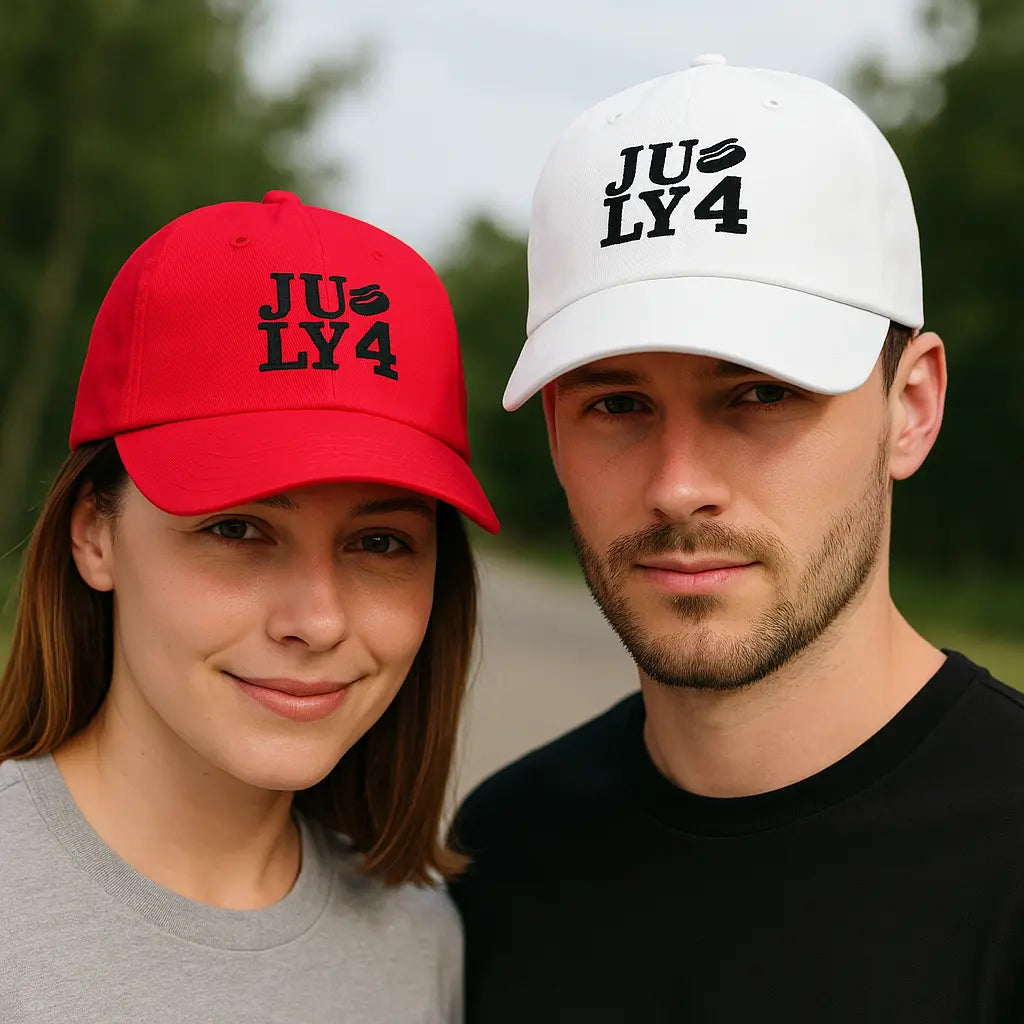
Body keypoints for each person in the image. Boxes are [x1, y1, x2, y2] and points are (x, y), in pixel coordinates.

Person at [449, 56, 1024, 1022]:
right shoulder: (507, 852)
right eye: (618, 403)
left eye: (760, 394)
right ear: (553, 430)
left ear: (911, 407)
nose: (678, 485)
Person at [0, 190, 498, 1022]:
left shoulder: (420, 948)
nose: (318, 620)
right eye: (239, 529)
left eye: (380, 543)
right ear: (94, 534)